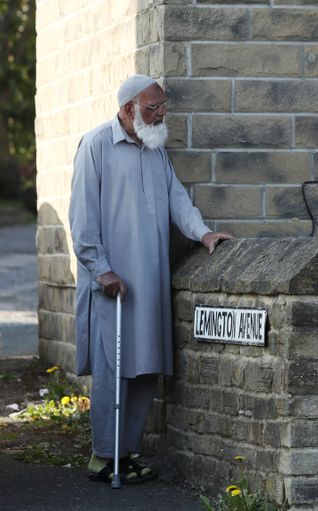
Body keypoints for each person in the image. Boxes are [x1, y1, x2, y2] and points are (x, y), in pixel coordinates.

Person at [69, 75, 232, 483]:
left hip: (150, 278)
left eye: (163, 107)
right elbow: (82, 218)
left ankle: (129, 453)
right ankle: (104, 456)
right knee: (113, 367)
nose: (160, 115)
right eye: (152, 108)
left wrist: (204, 233)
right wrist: (100, 268)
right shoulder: (96, 146)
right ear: (127, 109)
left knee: (145, 366)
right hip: (113, 281)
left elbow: (178, 199)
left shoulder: (157, 151)